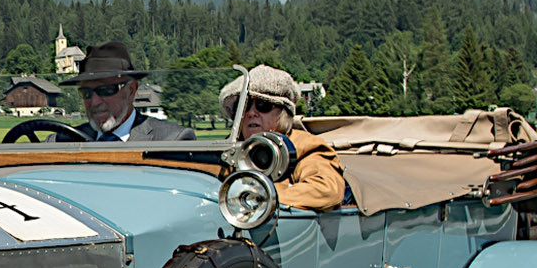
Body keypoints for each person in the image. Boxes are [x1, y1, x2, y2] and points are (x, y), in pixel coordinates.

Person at [219, 65, 346, 212]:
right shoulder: (227, 150)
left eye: (263, 105)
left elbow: (327, 190)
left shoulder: (303, 147)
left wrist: (255, 197)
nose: (252, 113)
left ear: (283, 114)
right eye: (244, 106)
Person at [57, 41, 195, 142]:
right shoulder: (61, 141)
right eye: (86, 93)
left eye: (106, 90)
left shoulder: (172, 141)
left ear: (131, 90)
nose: (94, 102)